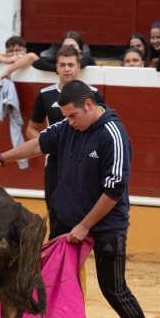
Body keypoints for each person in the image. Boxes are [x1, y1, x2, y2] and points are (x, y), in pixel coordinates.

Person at [0, 80, 160, 318]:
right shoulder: (67, 128)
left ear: (89, 105)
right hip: (68, 221)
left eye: (72, 116)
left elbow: (114, 190)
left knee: (113, 288)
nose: (69, 122)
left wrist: (84, 225)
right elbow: (38, 144)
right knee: (49, 280)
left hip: (106, 225)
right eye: (66, 116)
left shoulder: (113, 134)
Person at [26, 46, 106, 236]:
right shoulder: (45, 95)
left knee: (85, 214)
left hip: (85, 162)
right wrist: (48, 144)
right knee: (56, 215)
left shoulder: (93, 94)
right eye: (62, 65)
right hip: (56, 162)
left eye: (71, 64)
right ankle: (56, 264)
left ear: (79, 66)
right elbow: (31, 129)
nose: (67, 69)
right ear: (56, 67)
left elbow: (102, 127)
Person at [31, 31, 97, 72]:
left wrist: (60, 68)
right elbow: (37, 63)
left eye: (72, 46)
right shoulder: (60, 61)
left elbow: (77, 65)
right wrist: (57, 69)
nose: (69, 49)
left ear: (80, 48)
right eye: (65, 46)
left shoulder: (88, 59)